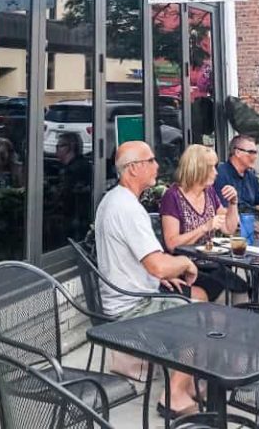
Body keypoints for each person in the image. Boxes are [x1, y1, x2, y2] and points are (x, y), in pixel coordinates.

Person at [95, 141, 200, 418]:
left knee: (194, 301)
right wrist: (185, 263)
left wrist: (162, 277)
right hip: (131, 308)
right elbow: (158, 266)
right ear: (132, 169)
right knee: (199, 317)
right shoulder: (127, 208)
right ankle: (174, 397)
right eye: (151, 160)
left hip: (129, 296)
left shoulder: (114, 200)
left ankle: (186, 384)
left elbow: (145, 265)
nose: (157, 166)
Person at [160, 144, 241, 302]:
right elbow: (171, 243)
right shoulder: (173, 197)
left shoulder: (209, 192)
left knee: (241, 289)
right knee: (224, 292)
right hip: (184, 266)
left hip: (210, 262)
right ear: (197, 169)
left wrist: (233, 203)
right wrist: (204, 227)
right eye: (211, 168)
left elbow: (229, 229)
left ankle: (240, 325)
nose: (216, 173)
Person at [214, 134, 259, 212]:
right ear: (238, 152)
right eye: (251, 152)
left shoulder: (251, 177)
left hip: (251, 221)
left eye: (256, 153)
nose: (255, 156)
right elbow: (222, 210)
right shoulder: (220, 175)